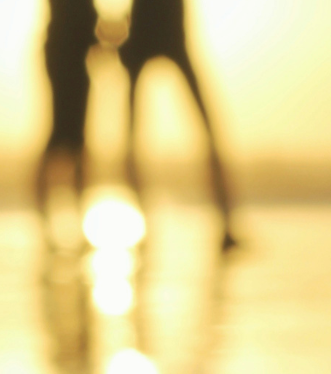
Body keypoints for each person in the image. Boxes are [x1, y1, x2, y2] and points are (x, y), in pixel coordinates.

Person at [119, 0, 235, 250]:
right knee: (132, 138)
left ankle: (226, 224)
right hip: (148, 34)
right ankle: (142, 227)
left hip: (164, 35)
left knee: (207, 132)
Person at [35, 0, 98, 227]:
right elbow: (80, 19)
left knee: (73, 137)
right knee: (64, 134)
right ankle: (48, 210)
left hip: (73, 56)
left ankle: (71, 210)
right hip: (65, 56)